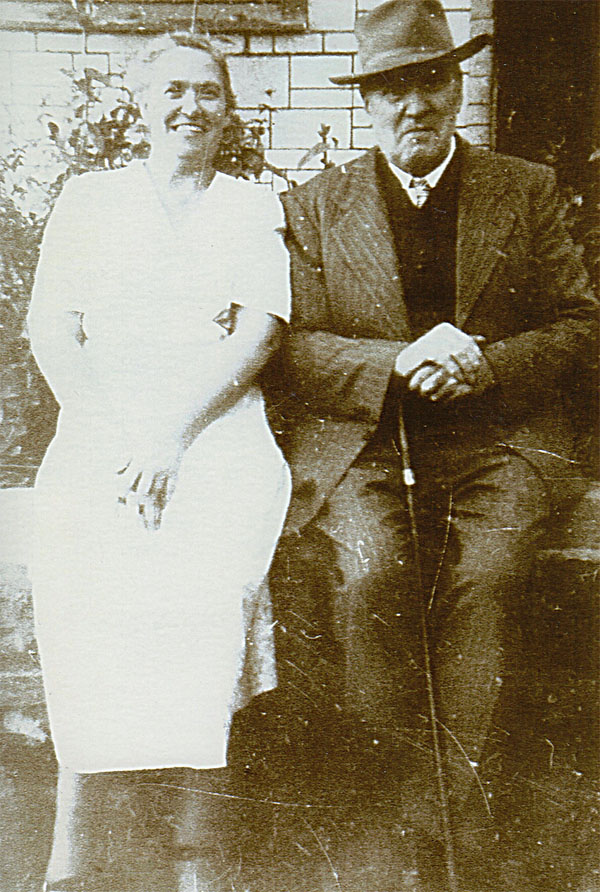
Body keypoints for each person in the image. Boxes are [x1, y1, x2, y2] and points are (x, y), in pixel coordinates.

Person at [265, 1, 597, 888]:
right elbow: (294, 347)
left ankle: (455, 831)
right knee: (373, 576)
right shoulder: (315, 206)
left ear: (456, 86)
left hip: (503, 442)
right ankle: (406, 818)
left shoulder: (522, 188)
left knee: (486, 579)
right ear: (366, 103)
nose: (415, 104)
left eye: (432, 81)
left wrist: (488, 364)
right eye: (392, 89)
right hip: (366, 446)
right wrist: (394, 361)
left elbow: (578, 325)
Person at [27, 33, 290, 892]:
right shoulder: (89, 199)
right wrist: (115, 435)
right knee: (81, 573)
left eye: (208, 91)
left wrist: (171, 436)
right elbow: (51, 328)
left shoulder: (250, 204)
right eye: (172, 90)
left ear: (228, 110)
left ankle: (195, 851)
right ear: (140, 105)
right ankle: (72, 846)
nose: (190, 107)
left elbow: (261, 330)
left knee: (204, 583)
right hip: (103, 425)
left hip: (214, 428)